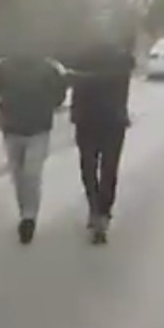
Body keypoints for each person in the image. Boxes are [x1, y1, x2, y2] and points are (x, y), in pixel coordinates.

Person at [60, 31, 136, 243]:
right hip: (113, 120)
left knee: (88, 166)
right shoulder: (122, 59)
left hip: (87, 120)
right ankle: (103, 210)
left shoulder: (80, 58)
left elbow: (68, 75)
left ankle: (95, 207)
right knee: (109, 168)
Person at [0, 56, 68, 244]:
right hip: (12, 129)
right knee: (18, 175)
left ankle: (29, 217)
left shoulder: (48, 67)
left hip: (38, 129)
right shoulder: (2, 66)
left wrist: (47, 105)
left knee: (32, 173)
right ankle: (24, 211)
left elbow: (60, 94)